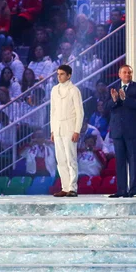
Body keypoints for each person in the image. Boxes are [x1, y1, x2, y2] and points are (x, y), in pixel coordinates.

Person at [105, 65, 136, 197]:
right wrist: (115, 100)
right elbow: (107, 106)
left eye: (129, 72)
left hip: (133, 130)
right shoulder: (113, 88)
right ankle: (121, 190)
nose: (127, 74)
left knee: (134, 161)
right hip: (118, 130)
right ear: (119, 74)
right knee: (120, 162)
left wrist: (125, 99)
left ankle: (133, 190)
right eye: (125, 72)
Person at [50, 64, 83, 197]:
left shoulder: (74, 90)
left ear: (69, 75)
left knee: (71, 159)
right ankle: (64, 187)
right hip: (57, 128)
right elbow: (52, 112)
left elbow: (80, 112)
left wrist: (77, 130)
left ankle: (72, 187)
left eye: (62, 74)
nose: (59, 76)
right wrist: (52, 130)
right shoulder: (54, 90)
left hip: (70, 128)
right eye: (58, 74)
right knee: (61, 159)